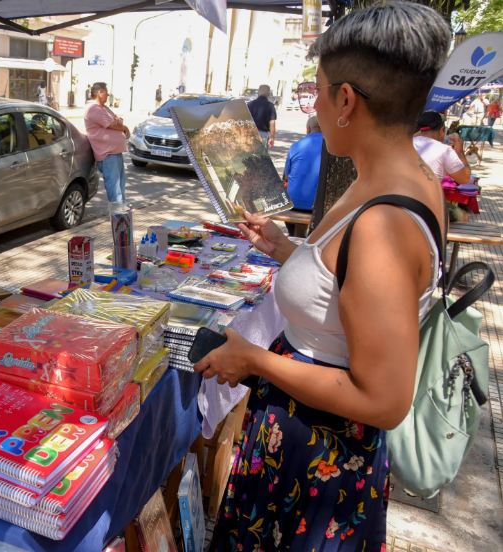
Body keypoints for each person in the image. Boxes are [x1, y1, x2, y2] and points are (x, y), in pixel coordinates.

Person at [199, 4, 448, 551]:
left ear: (346, 100)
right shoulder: (399, 175)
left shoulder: (385, 224)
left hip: (318, 459)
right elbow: (347, 287)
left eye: (317, 90)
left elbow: (384, 399)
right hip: (304, 440)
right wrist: (287, 249)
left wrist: (256, 360)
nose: (311, 103)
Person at [413, 110, 473, 222]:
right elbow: (465, 179)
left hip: (401, 201)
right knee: (463, 216)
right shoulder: (445, 150)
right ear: (441, 130)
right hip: (429, 205)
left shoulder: (405, 144)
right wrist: (460, 152)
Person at [84, 82, 129, 203]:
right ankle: (118, 219)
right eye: (106, 92)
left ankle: (123, 219)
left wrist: (119, 121)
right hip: (107, 154)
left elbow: (118, 119)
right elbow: (113, 124)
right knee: (115, 191)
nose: (108, 95)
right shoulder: (93, 108)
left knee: (120, 189)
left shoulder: (103, 108)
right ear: (99, 93)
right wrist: (125, 129)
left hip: (115, 152)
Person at [282, 115, 323, 235]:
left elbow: (286, 177)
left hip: (294, 203)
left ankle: (296, 236)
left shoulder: (296, 146)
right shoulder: (332, 146)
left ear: (308, 129)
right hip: (320, 205)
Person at [247, 84, 277, 150]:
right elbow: (272, 123)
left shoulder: (250, 104)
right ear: (268, 94)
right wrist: (272, 137)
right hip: (263, 134)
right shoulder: (270, 106)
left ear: (258, 93)